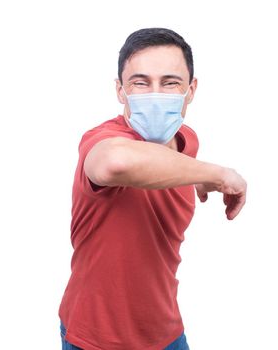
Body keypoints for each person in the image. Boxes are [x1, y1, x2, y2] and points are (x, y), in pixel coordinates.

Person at [58, 28, 247, 350]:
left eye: (170, 82)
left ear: (191, 90)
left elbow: (163, 163)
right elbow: (116, 162)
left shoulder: (187, 140)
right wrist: (216, 174)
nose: (155, 94)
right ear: (121, 91)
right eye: (141, 82)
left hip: (166, 330)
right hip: (98, 336)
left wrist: (193, 175)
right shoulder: (102, 140)